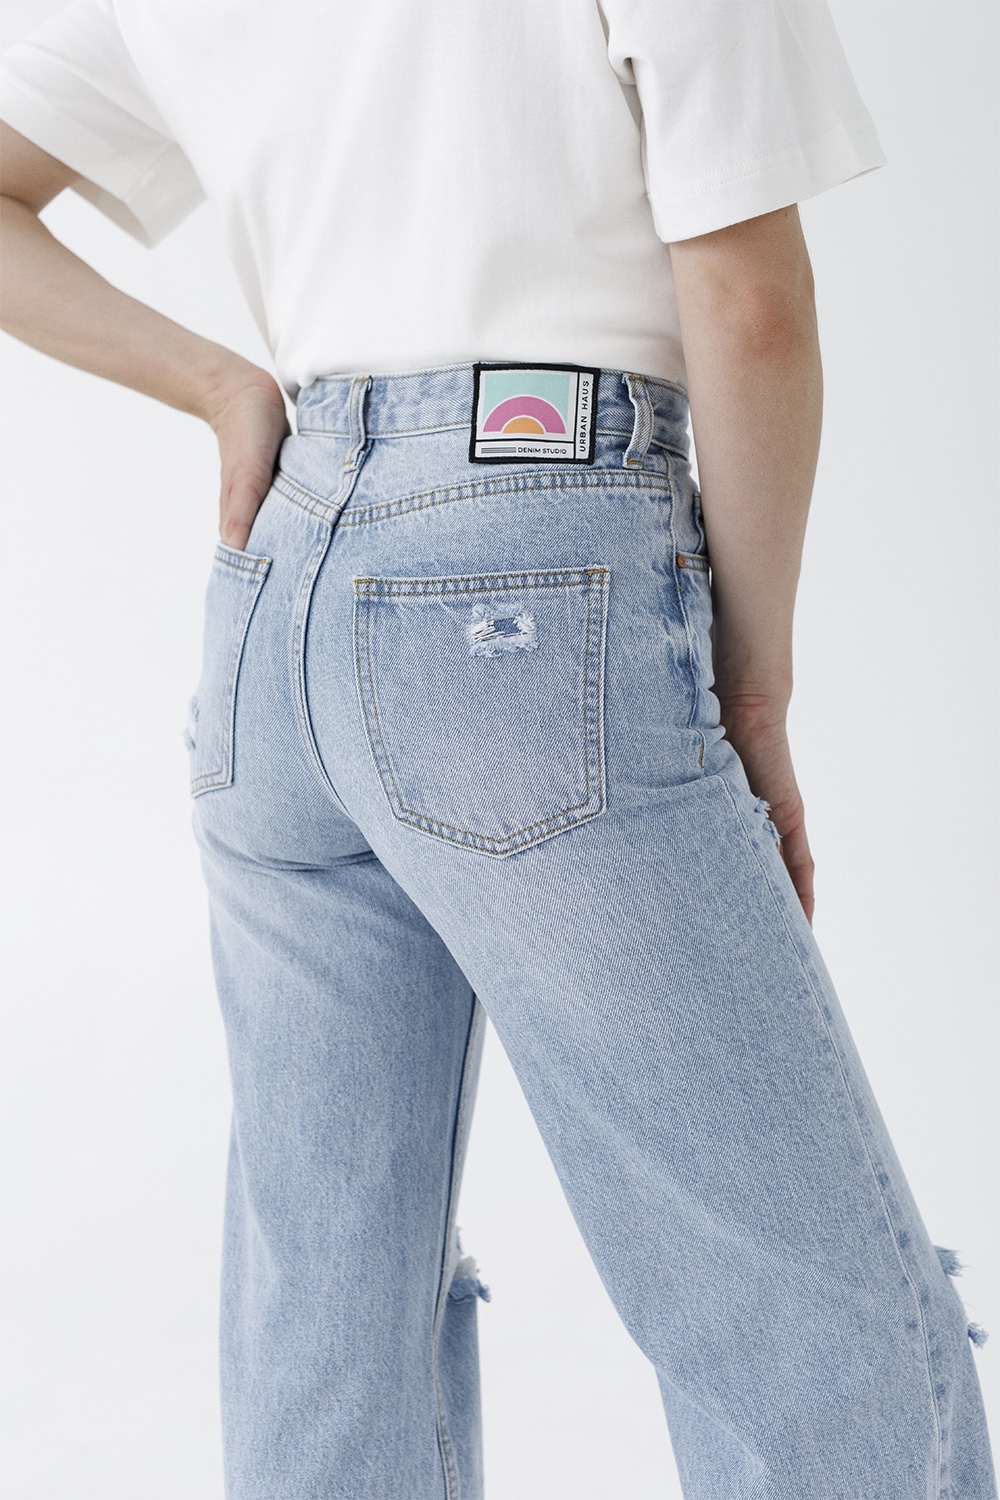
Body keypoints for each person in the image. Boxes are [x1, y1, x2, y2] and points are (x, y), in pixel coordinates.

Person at [0, 2, 994, 1496]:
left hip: (278, 599)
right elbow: (748, 301)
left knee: (329, 1315)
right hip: (533, 569)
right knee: (808, 1314)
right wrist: (751, 691)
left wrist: (224, 388)